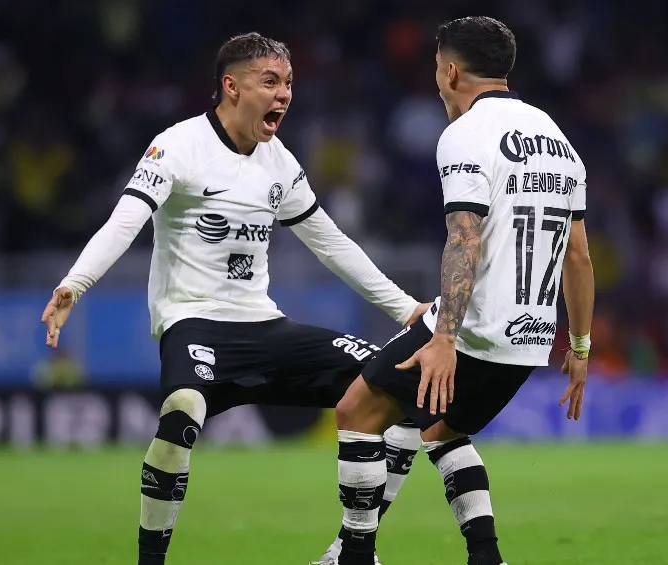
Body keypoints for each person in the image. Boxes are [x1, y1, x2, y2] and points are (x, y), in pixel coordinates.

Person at [39, 32, 428, 565]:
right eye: (270, 81)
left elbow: (331, 243)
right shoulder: (177, 146)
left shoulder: (279, 161)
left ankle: (351, 550)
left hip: (263, 325)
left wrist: (406, 308)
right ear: (231, 86)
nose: (284, 94)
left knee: (398, 382)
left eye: (288, 83)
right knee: (182, 413)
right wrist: (75, 284)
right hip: (194, 322)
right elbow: (126, 220)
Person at [328, 16, 595, 565]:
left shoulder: (466, 134)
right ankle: (485, 556)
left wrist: (444, 337)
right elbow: (578, 255)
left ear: (451, 72)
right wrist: (581, 346)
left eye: (436, 70)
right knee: (436, 430)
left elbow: (464, 237)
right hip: (529, 339)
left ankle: (353, 555)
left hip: (472, 327)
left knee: (356, 411)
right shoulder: (559, 142)